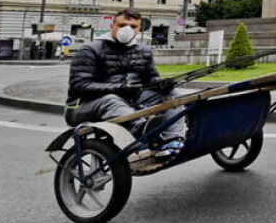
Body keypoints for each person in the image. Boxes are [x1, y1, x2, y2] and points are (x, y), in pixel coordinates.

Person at [64, 8, 185, 157]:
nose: (127, 29)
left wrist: (162, 83)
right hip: (83, 106)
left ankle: (172, 140)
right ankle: (145, 131)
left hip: (128, 102)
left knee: (172, 95)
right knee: (111, 99)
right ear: (112, 26)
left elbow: (150, 79)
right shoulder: (89, 50)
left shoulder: (144, 50)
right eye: (122, 25)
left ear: (139, 29)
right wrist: (120, 88)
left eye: (133, 26)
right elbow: (80, 86)